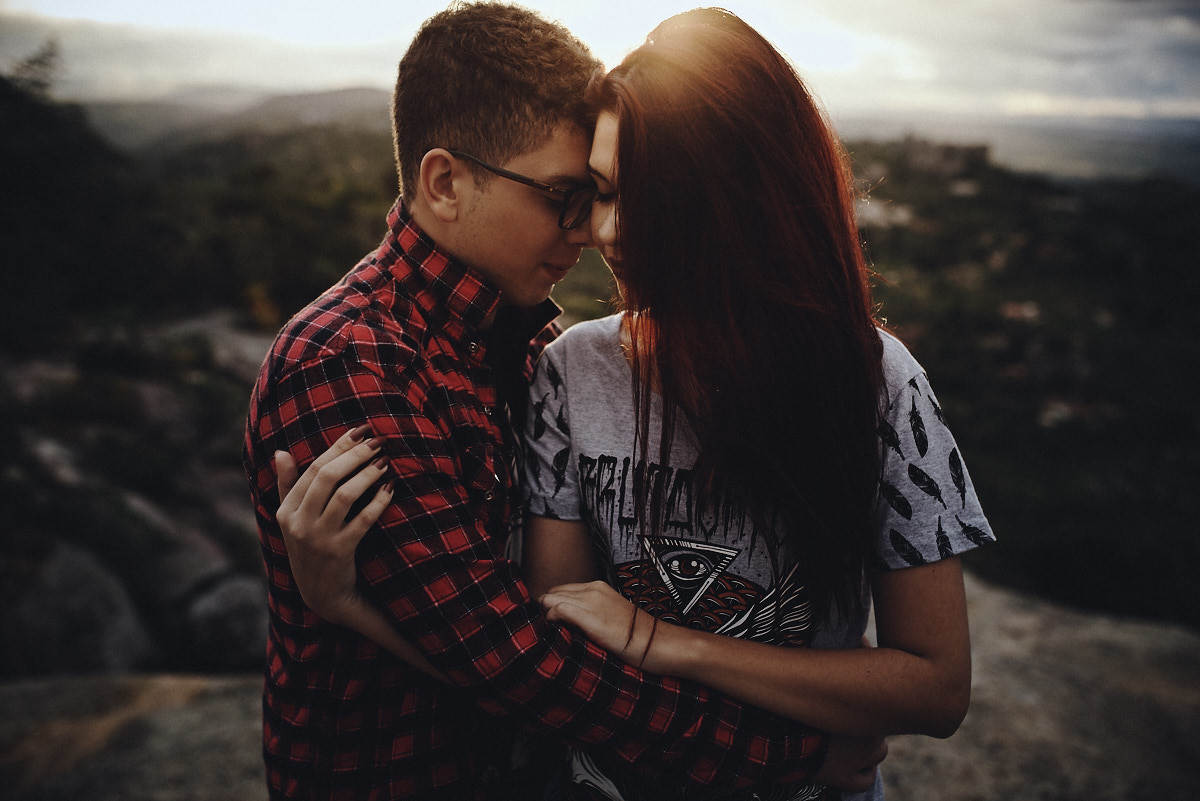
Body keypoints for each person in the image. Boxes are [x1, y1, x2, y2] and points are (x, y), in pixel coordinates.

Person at [275, 7, 996, 801]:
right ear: (445, 182)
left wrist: (665, 643)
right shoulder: (423, 364)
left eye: (610, 194)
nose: (597, 231)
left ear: (727, 201)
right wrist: (788, 752)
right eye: (576, 194)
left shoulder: (876, 384)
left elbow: (935, 684)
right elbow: (530, 649)